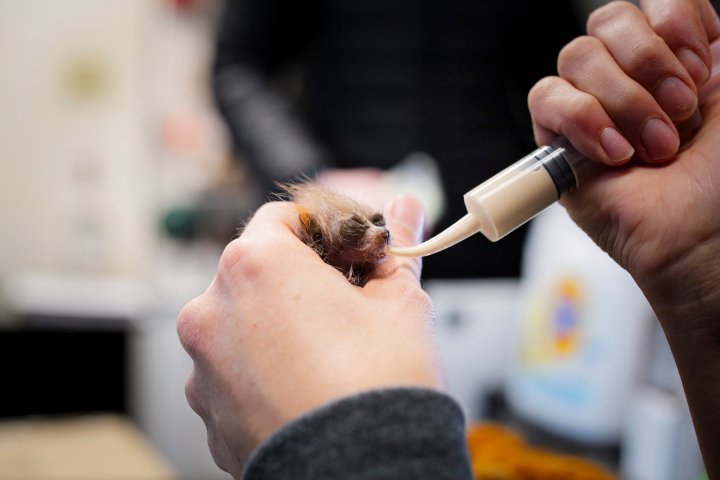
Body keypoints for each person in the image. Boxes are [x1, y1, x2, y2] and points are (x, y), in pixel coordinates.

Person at [179, 1, 720, 479]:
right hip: (351, 260)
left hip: (503, 265)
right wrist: (315, 178)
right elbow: (238, 66)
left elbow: (562, 76)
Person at [211, 0, 584, 279]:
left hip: (502, 242)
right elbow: (238, 65)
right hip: (351, 244)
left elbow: (558, 68)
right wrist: (314, 176)